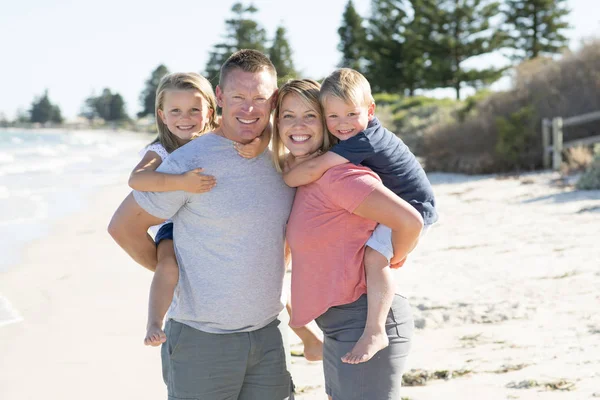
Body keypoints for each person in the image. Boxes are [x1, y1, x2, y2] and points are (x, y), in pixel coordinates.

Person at [108, 50, 318, 400]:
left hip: (269, 334)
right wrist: (175, 274)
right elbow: (123, 227)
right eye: (238, 97)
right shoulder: (189, 162)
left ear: (275, 99)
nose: (248, 108)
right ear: (219, 97)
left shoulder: (284, 157)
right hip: (201, 340)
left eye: (259, 98)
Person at [272, 79, 424, 399]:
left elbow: (411, 220)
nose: (298, 125)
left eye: (309, 116)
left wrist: (394, 257)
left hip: (364, 322)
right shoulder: (308, 177)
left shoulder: (339, 177)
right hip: (338, 326)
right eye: (287, 116)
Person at [127, 72, 268, 346]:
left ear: (210, 111)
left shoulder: (220, 136)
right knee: (168, 266)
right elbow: (137, 179)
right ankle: (154, 322)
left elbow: (268, 127)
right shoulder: (160, 149)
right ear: (162, 114)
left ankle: (303, 333)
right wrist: (181, 182)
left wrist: (259, 144)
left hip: (211, 222)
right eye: (175, 111)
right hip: (172, 222)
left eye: (194, 110)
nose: (185, 118)